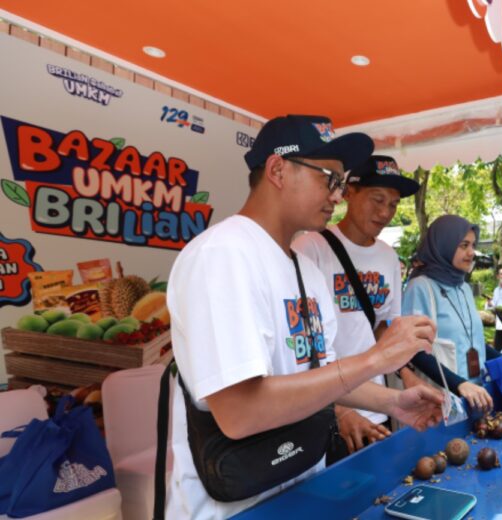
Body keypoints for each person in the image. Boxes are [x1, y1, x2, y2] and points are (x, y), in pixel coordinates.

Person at [165, 115, 442, 519]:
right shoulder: (222, 256)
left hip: (302, 486)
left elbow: (322, 373)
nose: (338, 194)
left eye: (341, 181)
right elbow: (240, 412)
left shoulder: (305, 270)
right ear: (278, 169)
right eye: (328, 178)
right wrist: (376, 359)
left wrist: (394, 400)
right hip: (234, 505)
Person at [291, 154, 426, 461]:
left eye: (393, 204)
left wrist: (406, 374)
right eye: (377, 199)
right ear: (349, 192)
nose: (385, 212)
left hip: (377, 407)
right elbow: (299, 349)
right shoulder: (310, 247)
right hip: (326, 413)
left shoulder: (388, 257)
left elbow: (382, 329)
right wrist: (337, 408)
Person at [402, 215, 502, 408]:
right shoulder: (421, 287)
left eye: (473, 245)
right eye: (463, 245)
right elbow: (415, 350)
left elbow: (474, 341)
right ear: (444, 245)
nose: (472, 252)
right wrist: (459, 384)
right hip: (440, 401)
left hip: (476, 396)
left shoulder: (463, 286)